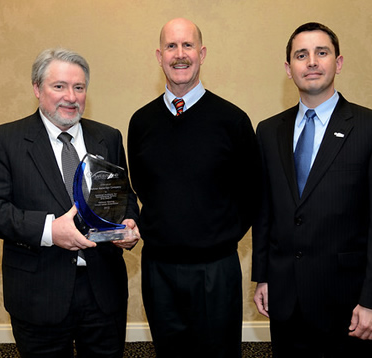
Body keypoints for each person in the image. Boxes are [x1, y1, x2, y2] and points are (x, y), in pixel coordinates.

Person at [252, 22, 372, 357]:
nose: (311, 62)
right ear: (288, 68)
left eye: (321, 53)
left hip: (350, 307)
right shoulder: (268, 132)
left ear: (338, 63)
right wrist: (263, 277)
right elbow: (266, 212)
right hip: (286, 302)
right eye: (301, 55)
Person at [0, 48, 140, 358]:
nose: (70, 97)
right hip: (38, 293)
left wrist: (128, 224)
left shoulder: (108, 137)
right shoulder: (5, 140)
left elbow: (124, 195)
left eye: (79, 87)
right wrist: (49, 230)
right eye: (59, 86)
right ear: (37, 89)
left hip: (104, 291)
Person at [128, 18, 259, 358]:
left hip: (216, 270)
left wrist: (217, 235)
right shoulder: (141, 122)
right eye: (171, 46)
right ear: (159, 56)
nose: (180, 54)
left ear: (201, 54)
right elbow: (142, 186)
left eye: (187, 46)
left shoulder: (233, 120)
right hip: (158, 270)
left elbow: (252, 194)